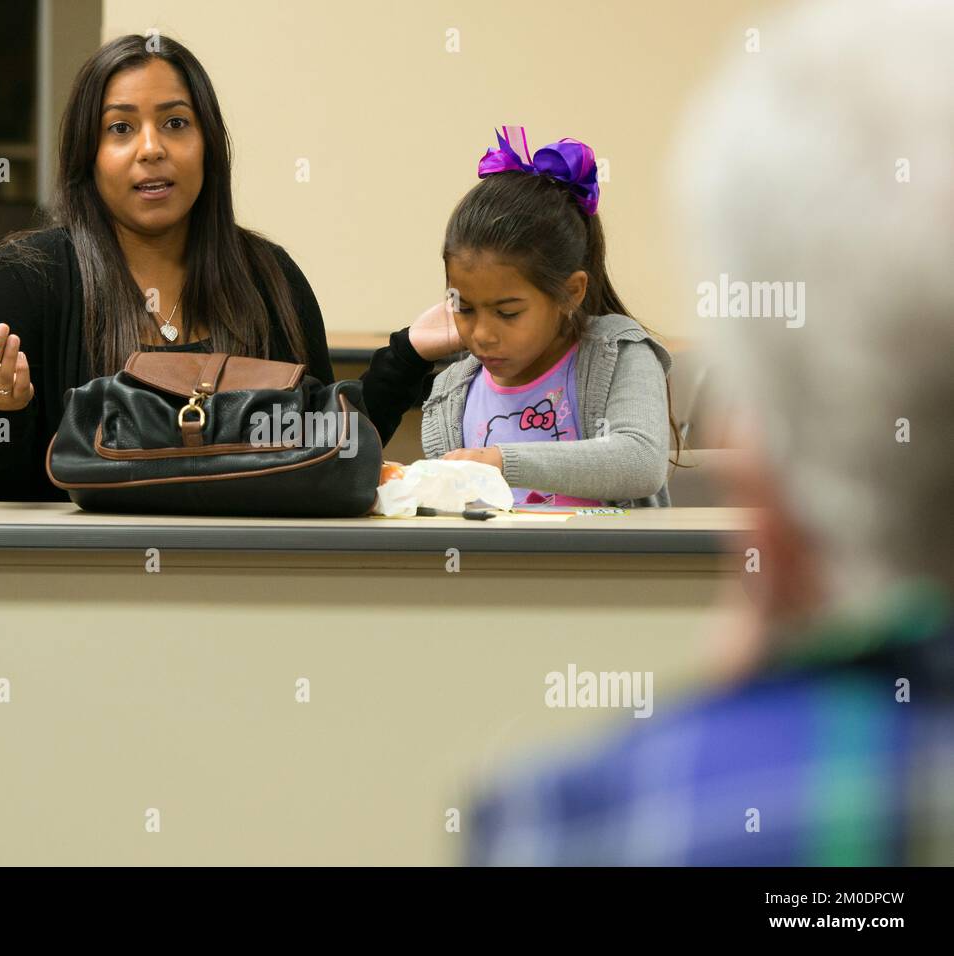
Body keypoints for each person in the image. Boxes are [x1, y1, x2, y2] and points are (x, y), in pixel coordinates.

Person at [468, 0, 954, 865]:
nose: (481, 329)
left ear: (762, 470)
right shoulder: (460, 381)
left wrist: (746, 701)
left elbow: (634, 458)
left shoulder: (587, 825)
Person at [0, 34, 333, 501]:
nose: (151, 148)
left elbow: (329, 449)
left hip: (245, 564)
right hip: (77, 567)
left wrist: (404, 358)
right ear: (89, 154)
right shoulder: (25, 278)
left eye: (176, 123)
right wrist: (2, 412)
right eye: (120, 129)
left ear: (208, 144)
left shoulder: (271, 279)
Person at [361, 128, 673, 508]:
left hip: (604, 569)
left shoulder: (615, 353)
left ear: (571, 292)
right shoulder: (453, 391)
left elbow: (639, 461)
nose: (482, 335)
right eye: (464, 308)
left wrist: (501, 461)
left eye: (508, 313)